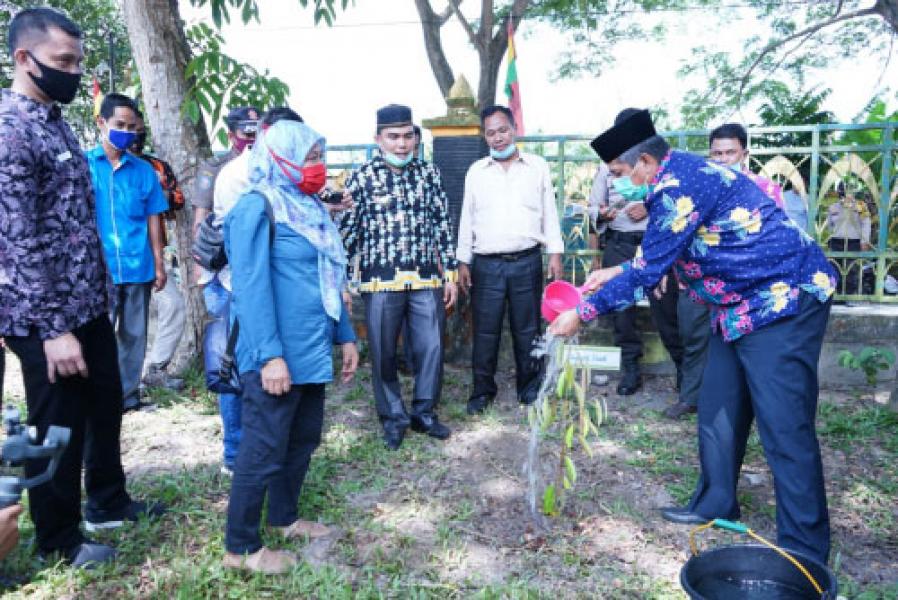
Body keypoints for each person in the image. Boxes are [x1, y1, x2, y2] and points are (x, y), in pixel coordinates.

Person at [551, 109, 836, 564]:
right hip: (736, 304)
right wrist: (615, 270)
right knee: (719, 406)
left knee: (785, 426)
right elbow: (667, 251)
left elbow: (650, 271)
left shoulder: (679, 185)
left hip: (783, 300)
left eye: (620, 173)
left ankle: (805, 549)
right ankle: (715, 502)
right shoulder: (674, 173)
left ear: (645, 161)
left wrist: (580, 313)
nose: (619, 184)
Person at [0, 7, 163, 568]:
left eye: (77, 61)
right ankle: (58, 538)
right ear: (24, 58)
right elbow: (18, 240)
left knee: (105, 405)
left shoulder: (56, 122)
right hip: (46, 319)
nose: (73, 73)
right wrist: (53, 331)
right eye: (62, 62)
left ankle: (109, 502)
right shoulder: (12, 131)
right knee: (58, 426)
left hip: (86, 301)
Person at [222, 120, 359, 574]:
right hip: (275, 355)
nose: (318, 167)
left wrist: (345, 335)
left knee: (301, 439)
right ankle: (240, 548)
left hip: (312, 349)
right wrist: (270, 356)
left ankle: (283, 518)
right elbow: (250, 286)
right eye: (310, 158)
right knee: (263, 447)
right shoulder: (256, 208)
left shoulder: (310, 208)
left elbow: (328, 278)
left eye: (321, 157)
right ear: (280, 159)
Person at [341, 104, 458, 450]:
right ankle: (393, 418)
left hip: (426, 279)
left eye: (408, 136)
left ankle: (425, 412)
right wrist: (344, 282)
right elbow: (348, 233)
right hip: (380, 281)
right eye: (393, 137)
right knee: (383, 352)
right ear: (378, 139)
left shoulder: (429, 173)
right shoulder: (360, 177)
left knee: (432, 347)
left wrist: (449, 271)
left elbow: (442, 224)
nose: (402, 144)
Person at [664, 123, 786, 420]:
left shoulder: (766, 189)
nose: (723, 159)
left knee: (750, 346)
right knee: (694, 339)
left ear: (744, 153)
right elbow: (678, 233)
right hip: (697, 284)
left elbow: (778, 238)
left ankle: (752, 404)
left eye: (730, 152)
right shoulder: (695, 189)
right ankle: (690, 397)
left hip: (748, 286)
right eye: (716, 153)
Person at [208, 106, 303, 474]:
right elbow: (247, 248)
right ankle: (236, 454)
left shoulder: (286, 176)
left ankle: (269, 450)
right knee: (236, 372)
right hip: (240, 289)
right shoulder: (239, 176)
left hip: (274, 292)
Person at [457, 105, 564, 414]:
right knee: (485, 331)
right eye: (491, 133)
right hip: (486, 264)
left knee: (527, 329)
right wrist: (463, 261)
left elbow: (549, 213)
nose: (498, 138)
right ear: (484, 136)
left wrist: (555, 253)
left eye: (503, 130)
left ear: (514, 128)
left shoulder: (538, 166)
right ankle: (482, 392)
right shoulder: (476, 171)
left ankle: (529, 389)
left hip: (527, 261)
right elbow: (467, 217)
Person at [589, 116, 683, 395]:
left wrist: (648, 205)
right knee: (622, 314)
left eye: (620, 174)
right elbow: (593, 208)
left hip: (656, 246)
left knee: (666, 310)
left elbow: (679, 212)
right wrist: (602, 214)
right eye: (615, 175)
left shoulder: (666, 172)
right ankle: (630, 369)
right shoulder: (608, 168)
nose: (617, 178)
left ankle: (683, 369)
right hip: (620, 245)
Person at [87, 93, 168, 412]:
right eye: (119, 124)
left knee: (134, 336)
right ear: (101, 122)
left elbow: (154, 218)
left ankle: (128, 396)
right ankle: (98, 397)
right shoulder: (83, 166)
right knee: (100, 338)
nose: (126, 131)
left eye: (132, 127)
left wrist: (159, 263)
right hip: (98, 270)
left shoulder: (144, 171)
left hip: (138, 266)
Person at [131, 111, 186, 391]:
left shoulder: (156, 167)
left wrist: (155, 195)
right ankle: (119, 382)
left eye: (140, 131)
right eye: (128, 129)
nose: (135, 136)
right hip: (116, 260)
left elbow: (178, 198)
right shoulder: (97, 166)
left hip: (154, 256)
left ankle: (156, 370)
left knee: (174, 306)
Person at [193, 106, 259, 238]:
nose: (254, 139)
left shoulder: (270, 166)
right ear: (231, 136)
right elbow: (201, 219)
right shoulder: (215, 168)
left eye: (258, 134)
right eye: (248, 135)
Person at [826, 183, 872, 295]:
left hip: (853, 242)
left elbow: (866, 223)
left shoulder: (861, 206)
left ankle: (848, 295)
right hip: (836, 241)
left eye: (850, 191)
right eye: (844, 192)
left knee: (851, 270)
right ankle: (835, 295)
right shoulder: (833, 207)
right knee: (835, 268)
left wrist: (864, 241)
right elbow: (829, 225)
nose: (847, 194)